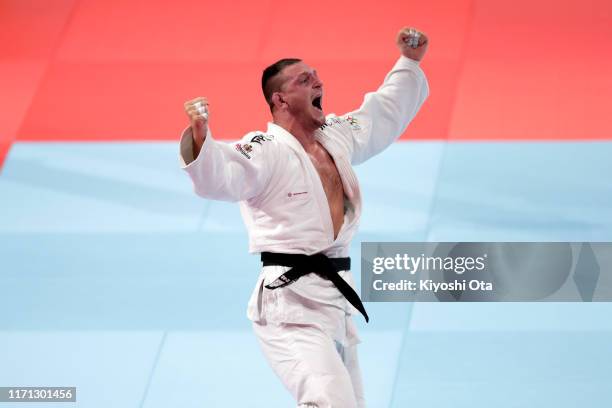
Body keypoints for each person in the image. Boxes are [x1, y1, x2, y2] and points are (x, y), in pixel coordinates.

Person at [179, 26, 429, 408]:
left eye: (316, 77)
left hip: (334, 300)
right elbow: (221, 178)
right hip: (288, 306)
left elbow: (380, 114)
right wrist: (200, 137)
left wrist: (408, 62)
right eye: (304, 80)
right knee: (332, 402)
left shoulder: (335, 136)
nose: (318, 81)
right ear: (280, 99)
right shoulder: (264, 150)